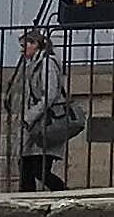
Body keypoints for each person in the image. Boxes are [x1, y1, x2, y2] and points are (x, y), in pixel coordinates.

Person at [16, 23, 80, 191]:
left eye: (25, 45)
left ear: (35, 44)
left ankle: (64, 194)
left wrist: (30, 115)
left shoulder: (47, 64)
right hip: (35, 123)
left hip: (47, 121)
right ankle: (25, 206)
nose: (22, 50)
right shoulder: (32, 64)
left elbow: (50, 94)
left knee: (39, 170)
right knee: (26, 168)